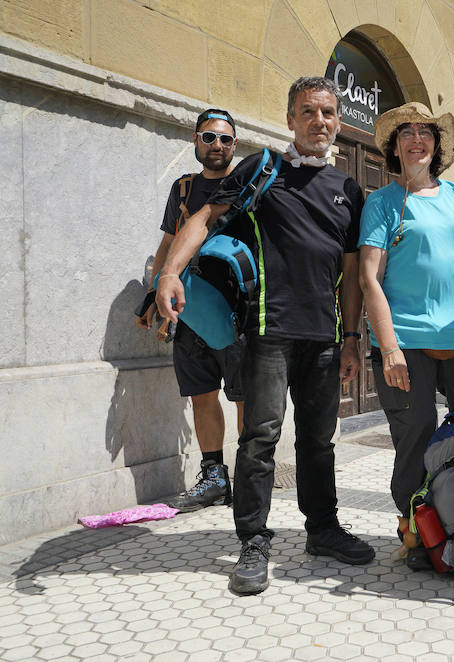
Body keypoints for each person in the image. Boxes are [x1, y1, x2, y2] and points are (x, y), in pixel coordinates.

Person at [156, 77, 374, 595]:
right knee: (260, 440)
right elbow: (206, 216)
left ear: (338, 122)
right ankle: (253, 538)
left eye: (327, 112)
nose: (318, 121)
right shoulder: (263, 167)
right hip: (267, 333)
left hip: (324, 338)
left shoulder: (348, 189)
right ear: (291, 120)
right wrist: (169, 273)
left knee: (319, 441)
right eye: (308, 112)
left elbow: (349, 270)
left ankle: (321, 529)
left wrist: (351, 339)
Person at [358, 103, 454, 568]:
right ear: (394, 147)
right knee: (416, 434)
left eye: (425, 131)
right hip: (406, 342)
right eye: (406, 132)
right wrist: (388, 348)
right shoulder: (382, 202)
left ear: (436, 144)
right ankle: (416, 531)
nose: (416, 139)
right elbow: (370, 277)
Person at [136, 108, 244, 512]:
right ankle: (215, 477)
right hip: (187, 310)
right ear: (195, 141)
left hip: (236, 313)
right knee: (202, 394)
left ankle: (248, 476)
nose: (217, 145)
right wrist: (152, 295)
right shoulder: (183, 188)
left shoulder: (245, 187)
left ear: (235, 145)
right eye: (209, 137)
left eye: (226, 139)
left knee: (243, 397)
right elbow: (168, 244)